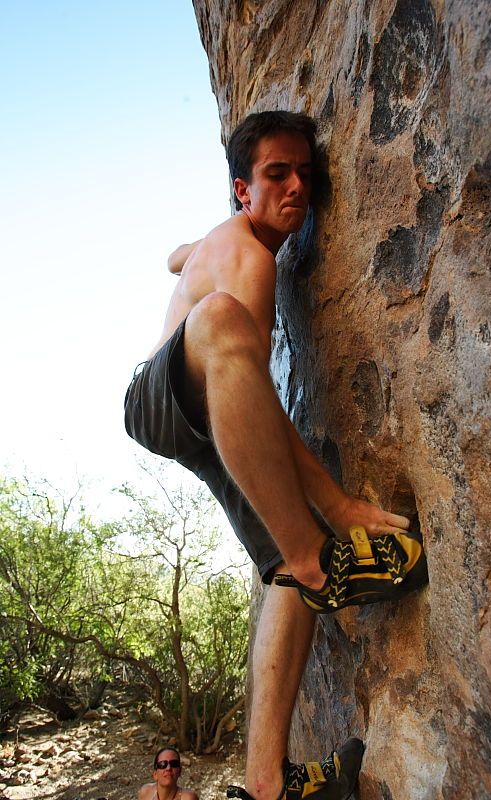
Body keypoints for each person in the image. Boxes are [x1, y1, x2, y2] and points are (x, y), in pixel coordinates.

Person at [124, 111, 412, 799]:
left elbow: (172, 255)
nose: (295, 189)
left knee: (280, 564)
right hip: (159, 396)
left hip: (194, 416)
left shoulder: (228, 238)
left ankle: (265, 785)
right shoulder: (248, 262)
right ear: (241, 189)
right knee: (224, 324)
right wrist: (337, 506)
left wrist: (189, 250)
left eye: (304, 177)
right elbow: (255, 400)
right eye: (275, 174)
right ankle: (320, 565)